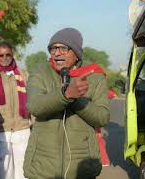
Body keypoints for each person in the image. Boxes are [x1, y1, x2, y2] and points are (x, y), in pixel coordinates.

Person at [23, 28, 110, 179]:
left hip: (81, 167)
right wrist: (66, 94)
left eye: (63, 48)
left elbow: (102, 117)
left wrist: (76, 99)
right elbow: (34, 106)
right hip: (42, 167)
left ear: (76, 53)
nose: (56, 53)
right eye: (53, 48)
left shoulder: (95, 76)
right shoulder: (41, 71)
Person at [0, 42, 31, 179]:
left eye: (7, 54)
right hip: (1, 129)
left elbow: (32, 99)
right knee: (2, 170)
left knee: (23, 168)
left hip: (23, 127)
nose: (4, 58)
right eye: (1, 55)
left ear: (12, 54)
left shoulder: (23, 74)